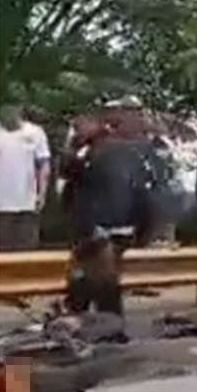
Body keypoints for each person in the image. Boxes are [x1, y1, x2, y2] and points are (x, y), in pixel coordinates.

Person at [62, 108, 157, 321]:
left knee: (97, 278)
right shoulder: (123, 152)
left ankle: (105, 325)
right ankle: (94, 322)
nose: (76, 131)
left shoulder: (98, 153)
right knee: (92, 278)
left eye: (79, 127)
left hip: (101, 228)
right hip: (111, 227)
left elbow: (72, 177)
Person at [0, 105, 52, 252]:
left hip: (27, 203)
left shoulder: (35, 132)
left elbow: (44, 165)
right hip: (0, 206)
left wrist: (42, 193)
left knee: (27, 251)